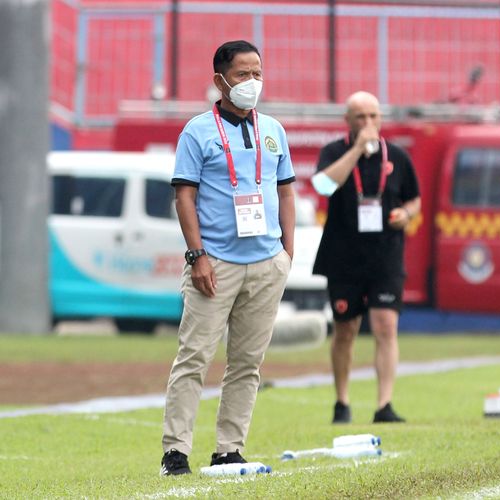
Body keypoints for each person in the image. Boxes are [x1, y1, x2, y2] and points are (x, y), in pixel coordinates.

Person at [160, 40, 295, 476]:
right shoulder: (197, 131)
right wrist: (197, 255)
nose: (252, 82)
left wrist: (286, 253)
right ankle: (175, 452)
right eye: (242, 74)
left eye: (258, 73)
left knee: (247, 363)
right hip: (215, 262)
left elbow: (285, 190)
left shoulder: (274, 129)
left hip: (266, 262)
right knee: (194, 357)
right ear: (220, 80)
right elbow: (185, 196)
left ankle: (228, 449)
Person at [311, 91, 421, 424]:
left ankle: (383, 404)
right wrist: (358, 149)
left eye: (374, 116)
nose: (369, 123)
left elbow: (414, 200)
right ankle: (342, 401)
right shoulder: (333, 151)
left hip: (385, 256)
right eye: (361, 117)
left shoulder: (397, 156)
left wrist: (406, 214)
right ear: (348, 121)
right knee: (346, 329)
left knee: (386, 326)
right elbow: (324, 186)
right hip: (343, 256)